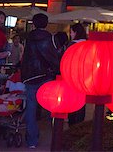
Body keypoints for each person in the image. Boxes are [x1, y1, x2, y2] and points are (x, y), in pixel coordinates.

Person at [21, 14, 60, 149]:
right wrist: (57, 69)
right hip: (45, 76)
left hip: (30, 77)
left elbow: (25, 58)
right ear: (46, 23)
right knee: (51, 106)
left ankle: (32, 140)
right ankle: (57, 135)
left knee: (31, 108)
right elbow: (51, 57)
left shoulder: (29, 38)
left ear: (34, 24)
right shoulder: (48, 38)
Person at [67, 23, 87, 126]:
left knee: (72, 101)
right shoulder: (88, 44)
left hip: (72, 77)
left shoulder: (72, 45)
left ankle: (72, 123)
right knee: (81, 101)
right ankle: (80, 124)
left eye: (71, 32)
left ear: (75, 32)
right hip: (85, 77)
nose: (70, 34)